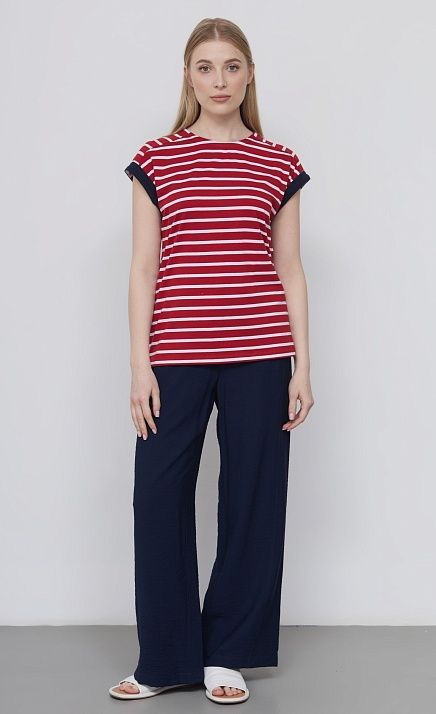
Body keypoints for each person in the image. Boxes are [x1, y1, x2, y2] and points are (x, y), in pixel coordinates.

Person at [109, 16, 314, 705]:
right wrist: (139, 366)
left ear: (249, 74)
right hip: (176, 353)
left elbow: (290, 269)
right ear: (188, 76)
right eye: (205, 67)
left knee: (254, 495)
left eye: (231, 66)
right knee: (159, 496)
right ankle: (166, 658)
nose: (219, 80)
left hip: (261, 353)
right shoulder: (158, 158)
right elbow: (143, 268)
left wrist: (303, 366)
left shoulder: (277, 161)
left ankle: (229, 652)